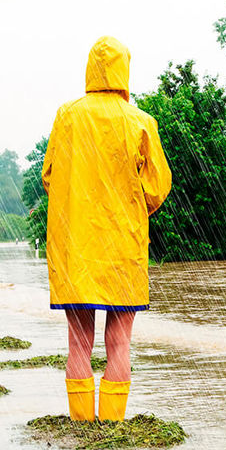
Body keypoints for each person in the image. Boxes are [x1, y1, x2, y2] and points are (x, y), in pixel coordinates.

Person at [42, 36, 171, 422]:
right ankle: (113, 427)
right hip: (123, 248)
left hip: (75, 247)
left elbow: (49, 176)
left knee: (78, 344)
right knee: (120, 343)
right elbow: (158, 186)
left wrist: (78, 200)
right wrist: (130, 205)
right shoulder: (141, 122)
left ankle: (81, 429)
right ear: (124, 72)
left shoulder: (67, 115)